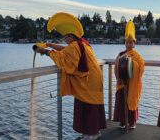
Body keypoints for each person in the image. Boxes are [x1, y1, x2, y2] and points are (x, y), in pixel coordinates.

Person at [34, 12, 106, 140]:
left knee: (88, 106)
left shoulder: (74, 47)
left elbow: (62, 60)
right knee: (91, 105)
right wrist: (50, 45)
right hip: (94, 78)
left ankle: (92, 134)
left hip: (88, 80)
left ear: (71, 37)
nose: (65, 40)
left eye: (66, 37)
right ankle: (93, 131)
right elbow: (64, 50)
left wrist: (45, 51)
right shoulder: (82, 44)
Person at [113, 21, 145, 129]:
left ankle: (132, 122)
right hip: (122, 83)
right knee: (121, 102)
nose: (129, 44)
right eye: (127, 42)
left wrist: (131, 63)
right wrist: (118, 78)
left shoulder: (137, 56)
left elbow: (140, 68)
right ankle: (122, 122)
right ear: (125, 43)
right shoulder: (120, 54)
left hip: (132, 83)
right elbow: (116, 67)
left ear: (134, 44)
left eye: (131, 42)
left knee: (131, 101)